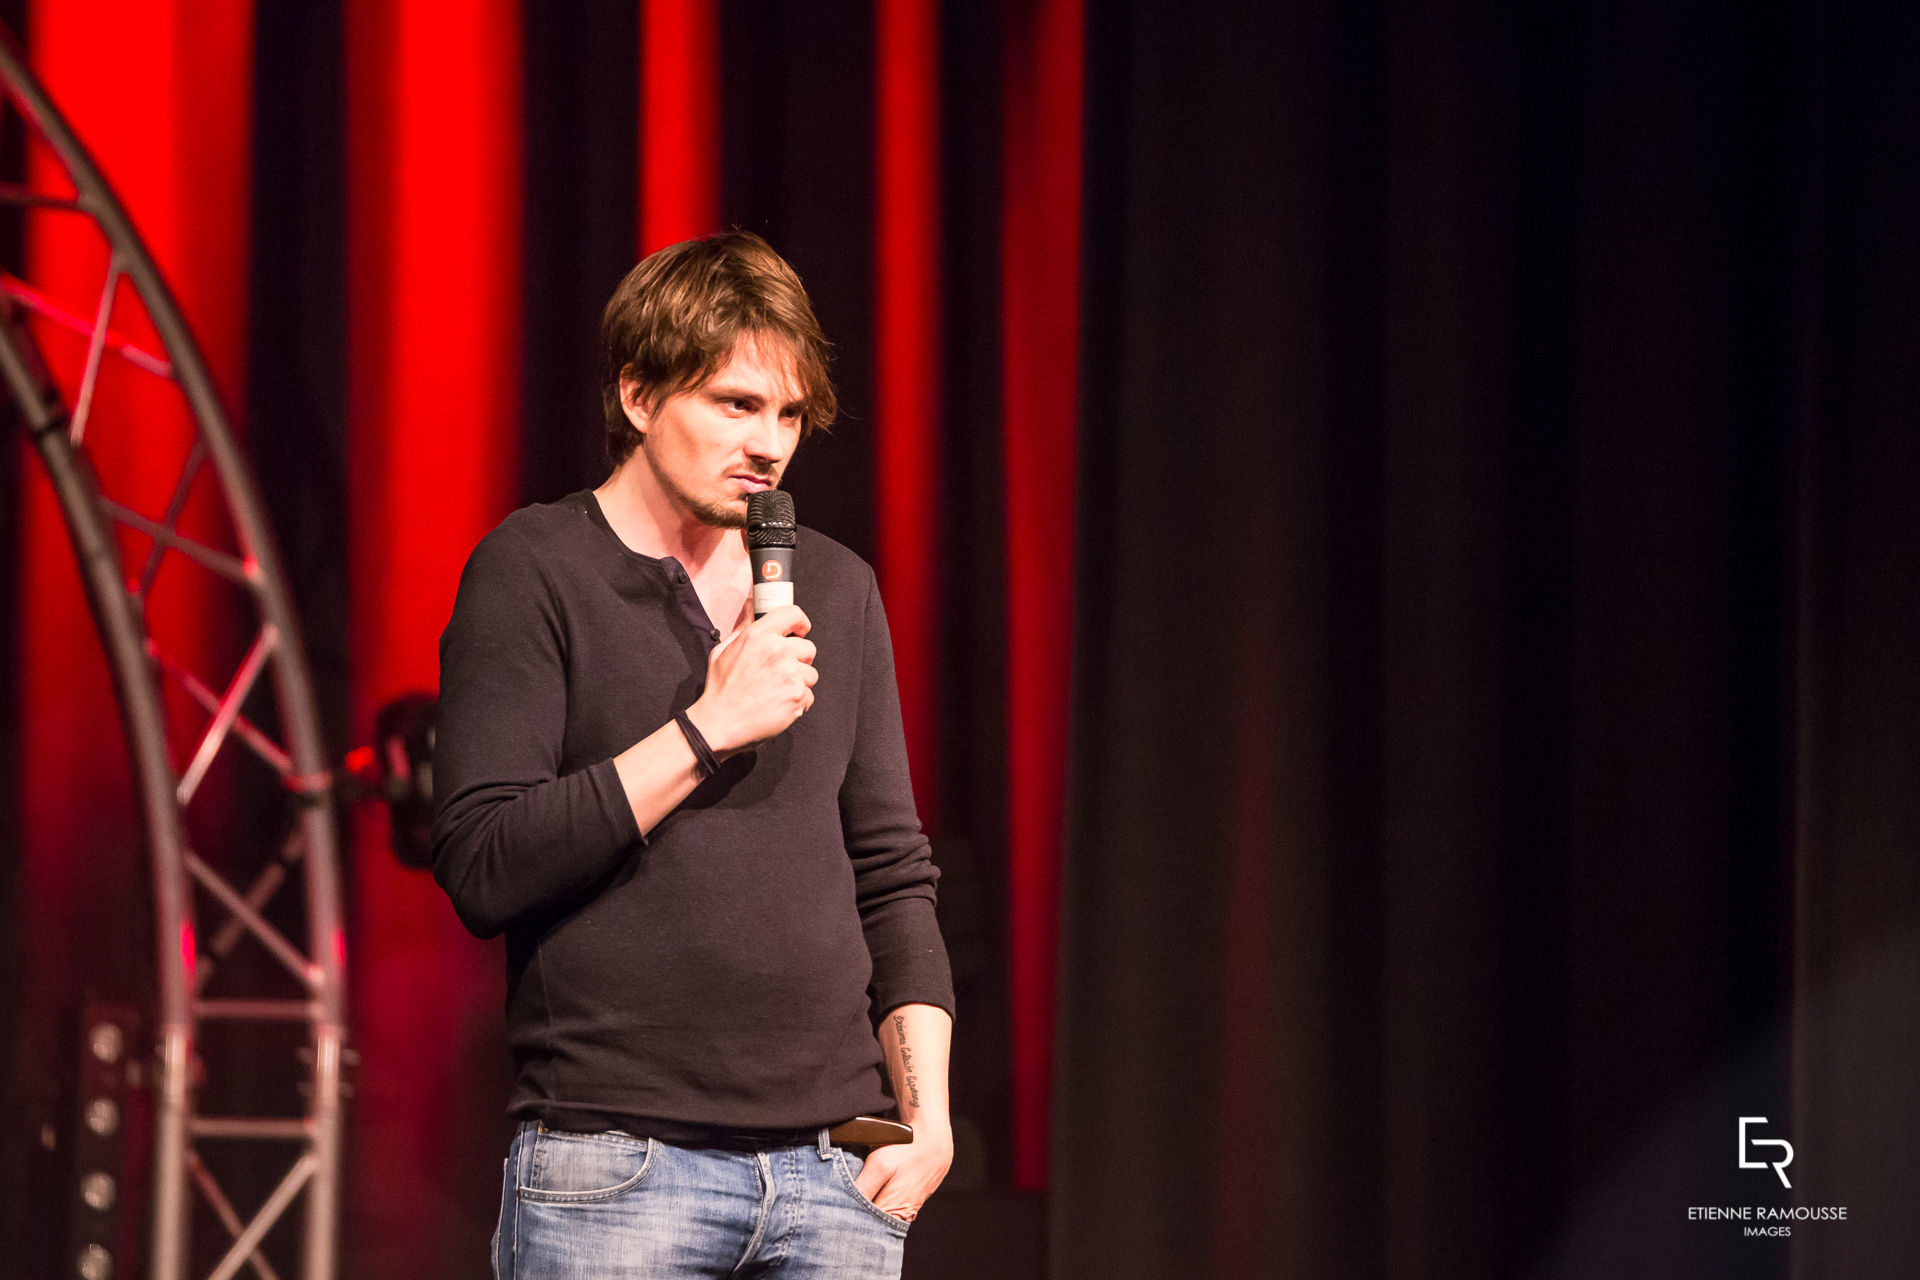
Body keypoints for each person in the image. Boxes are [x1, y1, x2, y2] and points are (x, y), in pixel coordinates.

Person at [431, 231, 954, 1279]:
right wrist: (707, 727)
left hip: (835, 1169)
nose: (770, 443)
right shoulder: (534, 570)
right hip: (620, 1168)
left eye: (790, 413)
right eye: (735, 403)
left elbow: (892, 871)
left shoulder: (834, 590)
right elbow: (484, 859)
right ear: (637, 396)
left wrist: (927, 1118)